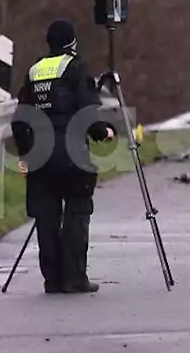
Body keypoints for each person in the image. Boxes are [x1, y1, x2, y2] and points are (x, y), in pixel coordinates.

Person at [10, 19, 116, 294]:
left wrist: (25, 153)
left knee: (46, 218)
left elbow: (20, 120)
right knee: (77, 212)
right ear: (71, 41)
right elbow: (86, 110)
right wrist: (101, 131)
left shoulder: (34, 70)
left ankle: (52, 280)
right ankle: (74, 278)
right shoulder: (75, 66)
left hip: (39, 155)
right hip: (71, 153)